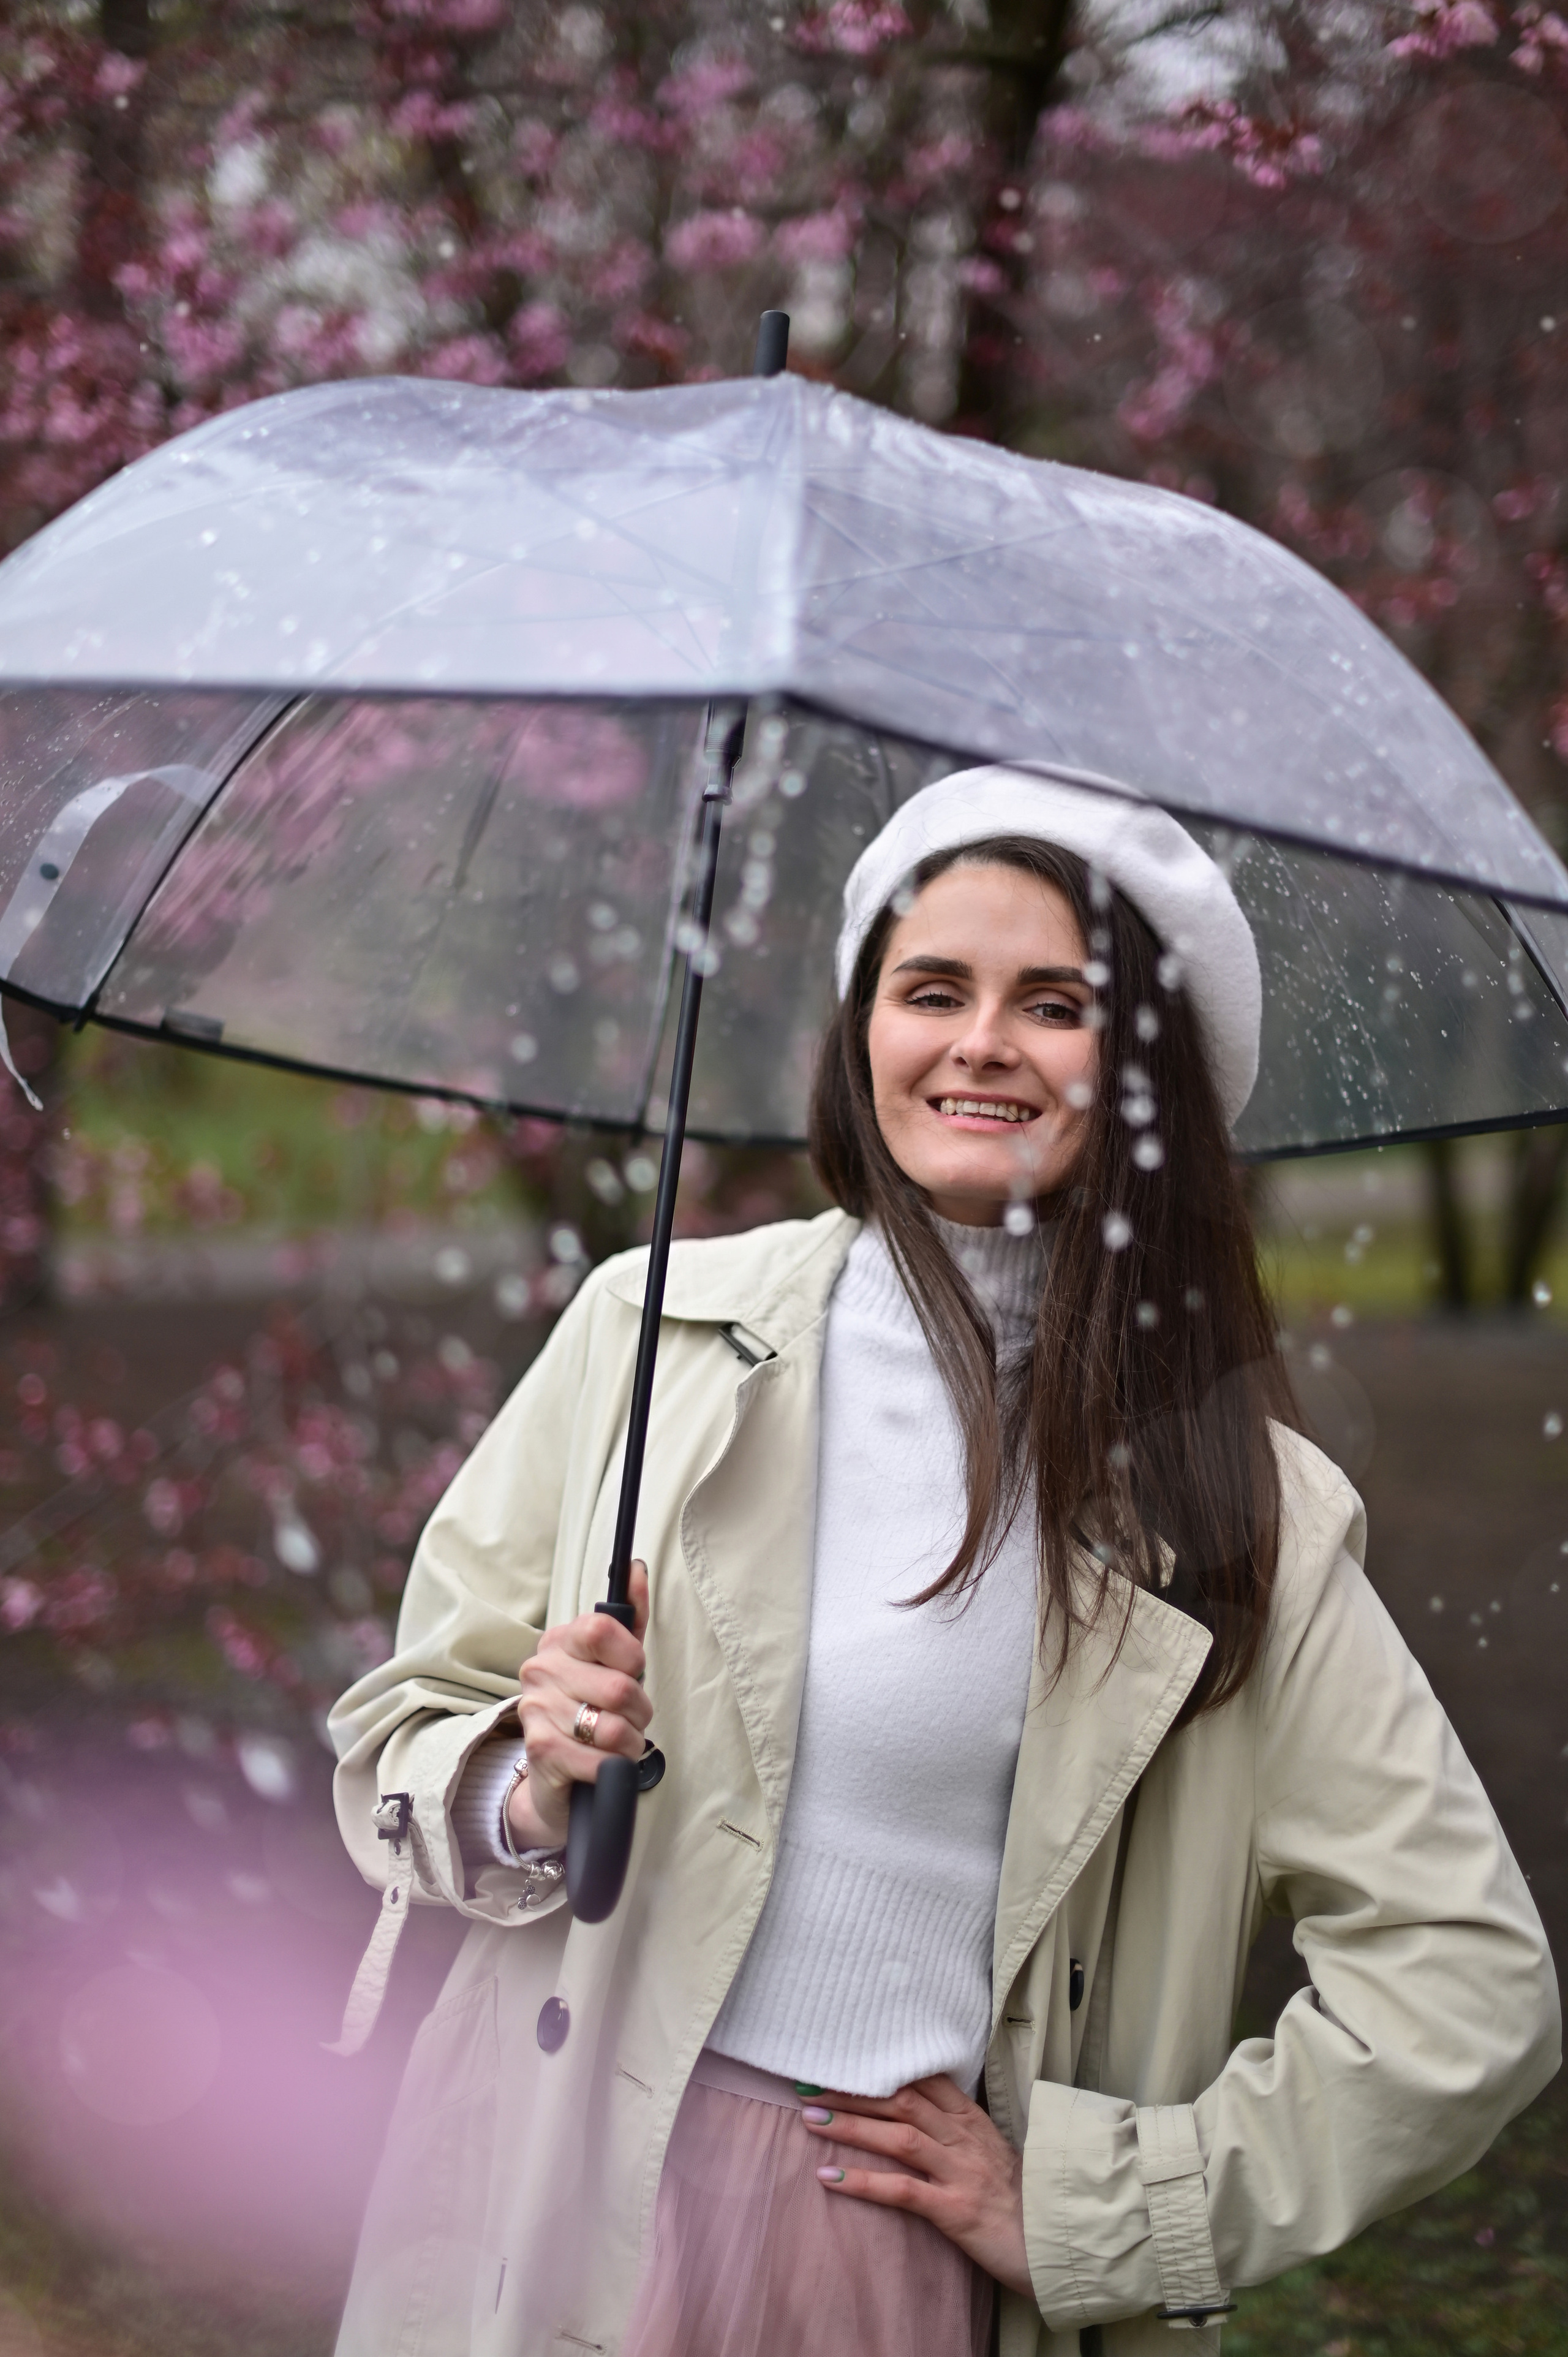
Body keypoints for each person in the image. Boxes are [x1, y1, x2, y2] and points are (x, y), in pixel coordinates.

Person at [327, 766, 1559, 2357]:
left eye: (1056, 1003)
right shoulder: (655, 1338)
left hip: (877, 2265)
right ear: (865, 1034)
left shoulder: (1242, 1511)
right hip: (538, 2201)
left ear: (1146, 1077)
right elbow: (396, 1741)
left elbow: (1466, 1983)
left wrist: (1100, 2205)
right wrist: (530, 1775)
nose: (980, 1041)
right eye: (931, 989)